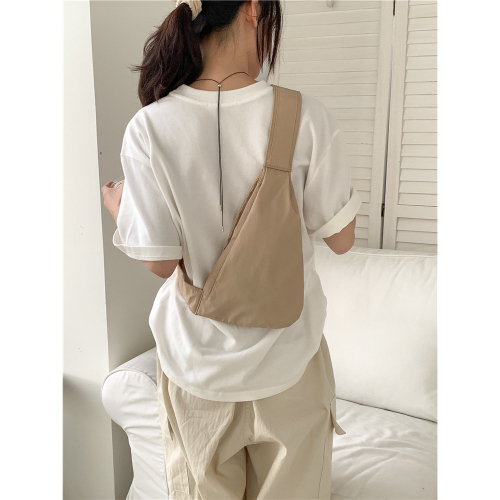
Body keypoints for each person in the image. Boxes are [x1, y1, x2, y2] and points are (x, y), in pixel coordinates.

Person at [101, 0, 362, 498]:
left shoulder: (150, 127)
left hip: (196, 371)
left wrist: (121, 209)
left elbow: (160, 262)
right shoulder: (306, 117)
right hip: (289, 366)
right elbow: (342, 239)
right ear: (255, 9)